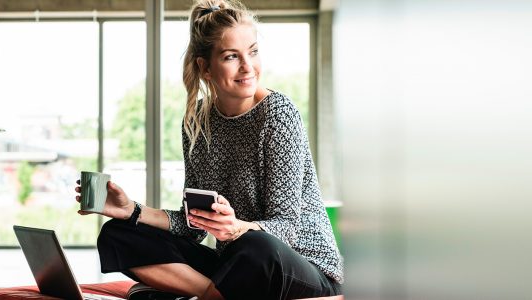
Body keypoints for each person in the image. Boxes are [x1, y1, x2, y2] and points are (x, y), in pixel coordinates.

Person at [75, 0, 342, 299]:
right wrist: (132, 210)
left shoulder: (278, 114)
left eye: (252, 52)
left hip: (300, 267)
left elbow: (287, 228)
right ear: (205, 67)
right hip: (236, 265)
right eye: (231, 56)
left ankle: (197, 292)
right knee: (118, 233)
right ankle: (210, 293)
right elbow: (193, 227)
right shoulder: (197, 123)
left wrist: (237, 228)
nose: (247, 66)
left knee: (256, 246)